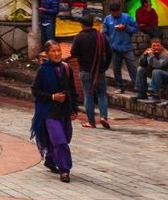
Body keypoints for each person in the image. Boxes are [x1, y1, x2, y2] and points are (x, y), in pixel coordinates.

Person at [31, 41, 77, 182]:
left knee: (66, 137)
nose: (57, 54)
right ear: (47, 53)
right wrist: (52, 97)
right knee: (59, 140)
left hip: (64, 110)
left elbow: (72, 90)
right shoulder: (43, 70)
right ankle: (65, 170)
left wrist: (74, 109)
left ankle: (50, 159)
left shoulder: (66, 68)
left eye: (59, 51)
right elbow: (35, 91)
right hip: (49, 112)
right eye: (53, 51)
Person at [68, 15, 110, 129]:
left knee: (88, 94)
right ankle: (103, 117)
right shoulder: (101, 36)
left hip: (85, 70)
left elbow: (73, 53)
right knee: (102, 94)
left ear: (82, 25)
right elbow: (109, 53)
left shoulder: (79, 37)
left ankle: (91, 122)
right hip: (99, 70)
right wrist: (105, 66)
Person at [101, 2, 139, 91]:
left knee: (132, 68)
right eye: (113, 13)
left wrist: (126, 28)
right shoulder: (107, 19)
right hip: (114, 48)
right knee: (116, 69)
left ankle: (137, 86)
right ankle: (120, 86)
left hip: (127, 47)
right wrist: (109, 41)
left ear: (119, 10)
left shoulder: (127, 17)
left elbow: (135, 29)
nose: (115, 14)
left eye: (116, 12)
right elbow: (104, 33)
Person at [133, 39, 168, 103]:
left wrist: (151, 55)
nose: (156, 47)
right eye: (154, 46)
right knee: (141, 69)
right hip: (156, 75)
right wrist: (144, 55)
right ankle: (141, 93)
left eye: (158, 45)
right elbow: (142, 64)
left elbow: (157, 65)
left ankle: (154, 96)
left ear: (162, 46)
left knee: (156, 71)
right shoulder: (151, 53)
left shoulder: (166, 55)